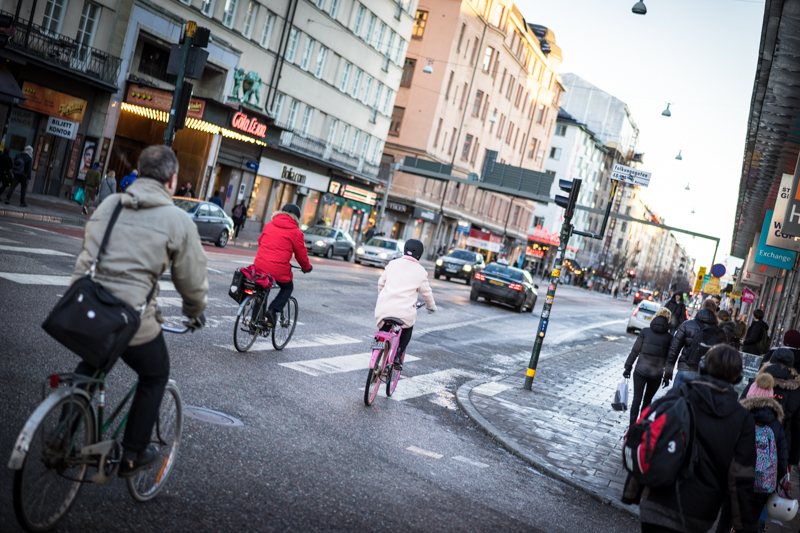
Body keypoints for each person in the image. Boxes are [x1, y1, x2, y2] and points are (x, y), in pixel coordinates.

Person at [70, 145, 208, 477]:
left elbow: (87, 255)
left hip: (85, 307)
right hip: (130, 318)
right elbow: (191, 280)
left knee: (90, 367)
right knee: (155, 374)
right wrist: (194, 310)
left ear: (141, 172)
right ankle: (132, 453)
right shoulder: (178, 220)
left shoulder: (109, 204)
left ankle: (62, 436)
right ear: (172, 180)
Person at [636, 344, 756, 533]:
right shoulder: (743, 419)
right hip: (699, 513)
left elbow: (647, 435)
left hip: (656, 501)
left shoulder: (677, 395)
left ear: (703, 367)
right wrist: (745, 526)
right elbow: (741, 478)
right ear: (738, 378)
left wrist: (634, 490)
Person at [374, 239, 436, 370]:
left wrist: (382, 297)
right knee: (408, 327)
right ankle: (398, 354)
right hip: (404, 312)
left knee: (384, 326)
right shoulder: (420, 271)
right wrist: (431, 306)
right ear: (420, 253)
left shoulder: (392, 264)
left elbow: (381, 284)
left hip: (383, 308)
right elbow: (426, 293)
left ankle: (377, 347)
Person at [253, 204, 312, 327]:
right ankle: (273, 311)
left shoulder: (268, 225)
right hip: (277, 270)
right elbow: (301, 255)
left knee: (262, 288)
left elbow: (260, 242)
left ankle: (254, 322)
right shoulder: (296, 233)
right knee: (287, 288)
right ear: (296, 218)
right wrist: (307, 267)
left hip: (259, 266)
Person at [744, 348, 800, 475]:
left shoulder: (758, 380)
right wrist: (791, 460)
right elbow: (797, 428)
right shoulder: (797, 390)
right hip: (780, 447)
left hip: (748, 440)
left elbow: (741, 409)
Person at [623, 307, 673, 426]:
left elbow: (635, 351)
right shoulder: (669, 338)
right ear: (668, 320)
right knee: (647, 401)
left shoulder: (645, 331)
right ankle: (641, 426)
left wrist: (628, 367)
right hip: (656, 374)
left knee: (637, 399)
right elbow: (669, 359)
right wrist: (667, 376)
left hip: (640, 370)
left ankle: (632, 427)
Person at [664, 299, 723, 389]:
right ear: (715, 312)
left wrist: (668, 372)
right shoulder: (720, 332)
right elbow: (723, 358)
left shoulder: (687, 325)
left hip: (685, 369)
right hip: (705, 376)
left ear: (701, 308)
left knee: (676, 400)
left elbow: (674, 349)